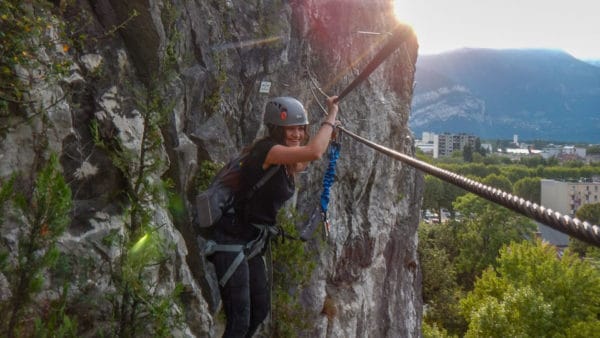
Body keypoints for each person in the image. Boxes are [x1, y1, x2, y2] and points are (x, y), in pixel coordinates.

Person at [209, 95, 339, 337]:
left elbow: (306, 157)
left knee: (259, 311)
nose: (297, 134)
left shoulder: (285, 161)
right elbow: (314, 152)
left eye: (301, 128)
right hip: (230, 240)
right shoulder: (266, 151)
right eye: (291, 129)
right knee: (239, 319)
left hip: (251, 241)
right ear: (276, 129)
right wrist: (331, 118)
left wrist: (330, 124)